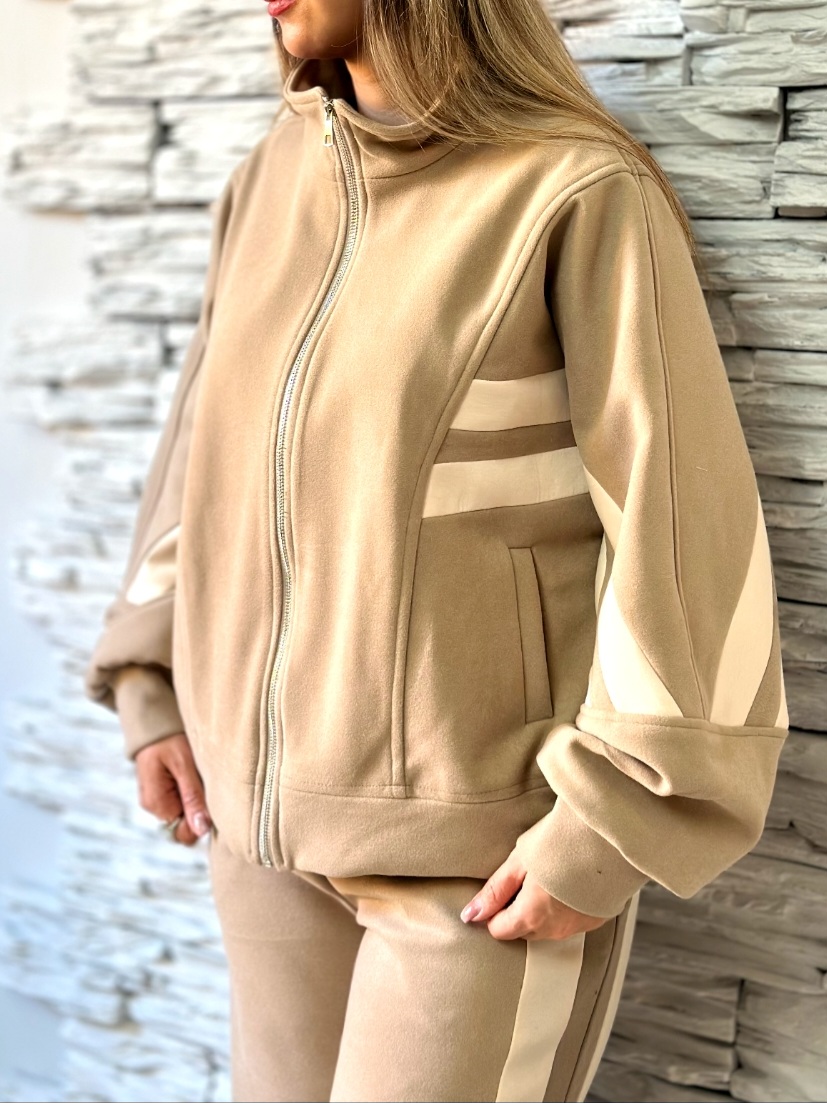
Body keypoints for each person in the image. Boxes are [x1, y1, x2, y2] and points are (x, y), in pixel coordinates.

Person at [83, 1, 790, 1100]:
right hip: (258, 837)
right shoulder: (268, 180)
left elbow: (677, 518)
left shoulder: (569, 188)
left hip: (479, 863)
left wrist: (609, 826)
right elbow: (201, 456)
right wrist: (152, 682)